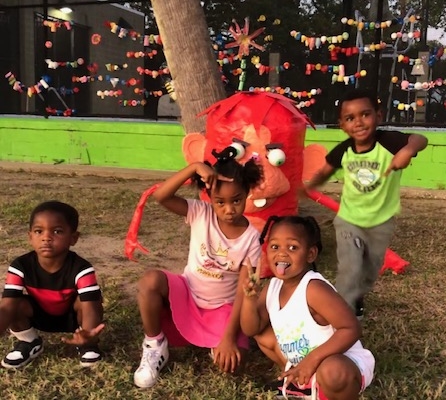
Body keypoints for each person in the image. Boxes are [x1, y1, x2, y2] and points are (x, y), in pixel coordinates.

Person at [133, 150, 263, 389]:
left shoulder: (253, 239)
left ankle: (214, 341)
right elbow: (161, 196)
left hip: (222, 308)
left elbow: (243, 292)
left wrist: (228, 338)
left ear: (247, 194)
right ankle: (154, 344)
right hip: (187, 295)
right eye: (220, 202)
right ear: (209, 197)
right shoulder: (200, 213)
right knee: (150, 281)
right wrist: (194, 167)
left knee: (235, 364)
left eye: (237, 200)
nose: (229, 210)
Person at [304, 89, 428, 318]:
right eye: (350, 118)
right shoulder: (344, 150)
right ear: (342, 125)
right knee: (350, 267)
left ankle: (356, 296)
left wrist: (408, 150)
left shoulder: (389, 141)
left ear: (378, 116)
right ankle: (342, 312)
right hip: (349, 219)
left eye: (365, 115)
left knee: (369, 271)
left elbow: (421, 139)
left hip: (380, 222)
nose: (359, 122)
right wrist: (309, 187)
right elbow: (325, 170)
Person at [240, 216, 375, 400]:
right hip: (303, 363)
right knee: (262, 334)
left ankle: (326, 391)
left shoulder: (314, 288)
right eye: (274, 246)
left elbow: (351, 329)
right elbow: (251, 329)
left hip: (341, 362)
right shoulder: (272, 286)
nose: (281, 253)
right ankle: (302, 384)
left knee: (333, 371)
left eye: (292, 247)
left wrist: (312, 360)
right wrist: (249, 299)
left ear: (310, 254)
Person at [0, 201, 104, 369]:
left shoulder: (82, 268)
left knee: (90, 300)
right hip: (39, 315)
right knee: (14, 303)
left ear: (73, 238)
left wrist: (89, 333)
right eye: (38, 231)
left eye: (57, 231)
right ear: (30, 236)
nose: (46, 237)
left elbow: (91, 307)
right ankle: (29, 342)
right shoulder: (20, 265)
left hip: (72, 318)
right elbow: (6, 308)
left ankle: (87, 344)